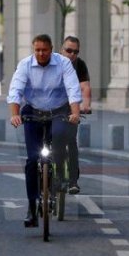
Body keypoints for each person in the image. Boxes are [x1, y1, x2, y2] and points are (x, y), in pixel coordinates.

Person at [8, 34, 82, 228]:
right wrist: (15, 114)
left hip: (58, 111)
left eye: (45, 50)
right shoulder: (25, 65)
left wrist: (75, 113)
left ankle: (58, 178)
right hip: (33, 112)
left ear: (51, 50)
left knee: (58, 139)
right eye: (37, 50)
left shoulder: (63, 63)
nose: (41, 53)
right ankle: (32, 208)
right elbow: (15, 90)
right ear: (34, 50)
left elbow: (73, 89)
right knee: (33, 160)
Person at [59, 36, 91, 195]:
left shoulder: (80, 65)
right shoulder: (53, 63)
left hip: (72, 110)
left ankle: (73, 181)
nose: (72, 54)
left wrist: (85, 105)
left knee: (71, 141)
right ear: (61, 50)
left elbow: (84, 87)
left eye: (75, 52)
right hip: (51, 107)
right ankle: (43, 172)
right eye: (68, 50)